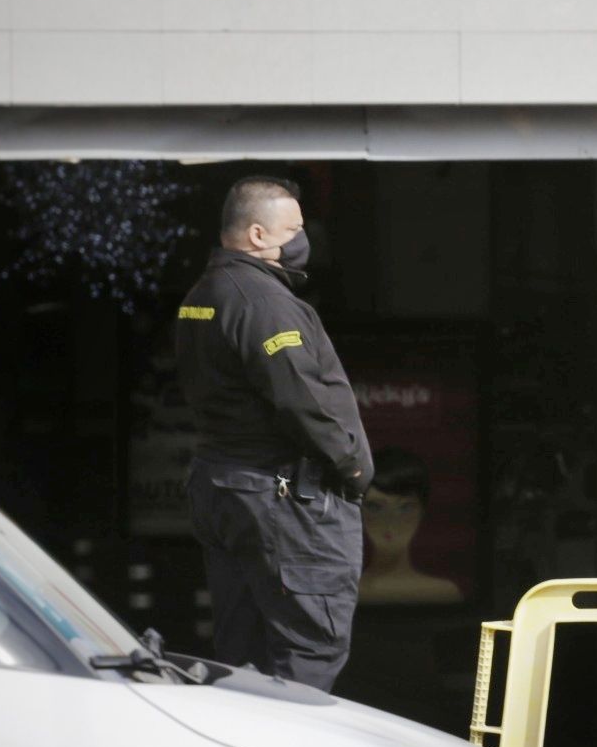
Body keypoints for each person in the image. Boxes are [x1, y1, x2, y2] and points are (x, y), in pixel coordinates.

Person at [175, 175, 372, 690]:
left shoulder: (206, 292)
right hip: (278, 498)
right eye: (296, 227)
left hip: (227, 486)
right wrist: (351, 464)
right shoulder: (262, 301)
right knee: (308, 649)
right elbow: (298, 394)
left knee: (246, 654)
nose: (306, 238)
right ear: (259, 235)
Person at [359, 448, 462, 605]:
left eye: (405, 507)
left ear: (422, 511)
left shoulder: (443, 592)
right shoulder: (346, 592)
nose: (390, 522)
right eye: (375, 507)